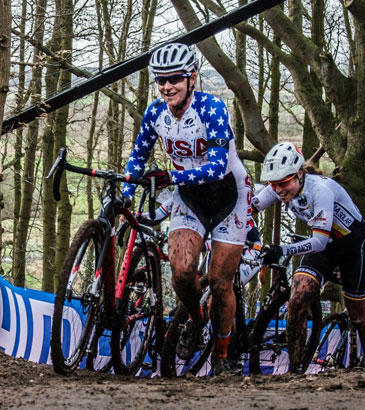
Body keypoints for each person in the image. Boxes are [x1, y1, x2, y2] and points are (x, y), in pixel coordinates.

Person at [121, 42, 252, 375]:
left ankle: (221, 354)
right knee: (181, 271)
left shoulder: (211, 108)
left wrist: (171, 176)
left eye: (175, 79)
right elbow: (138, 157)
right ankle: (196, 319)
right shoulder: (155, 113)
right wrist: (125, 193)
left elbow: (218, 167)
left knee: (220, 282)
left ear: (191, 78)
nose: (167, 86)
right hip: (190, 196)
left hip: (229, 196)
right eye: (161, 80)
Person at [252, 142, 365, 372]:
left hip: (355, 247)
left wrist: (281, 249)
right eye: (273, 184)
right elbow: (250, 208)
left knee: (358, 314)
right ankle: (295, 370)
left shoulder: (320, 190)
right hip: (325, 247)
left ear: (300, 174)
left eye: (284, 183)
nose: (279, 190)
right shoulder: (278, 187)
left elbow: (318, 241)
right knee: (298, 299)